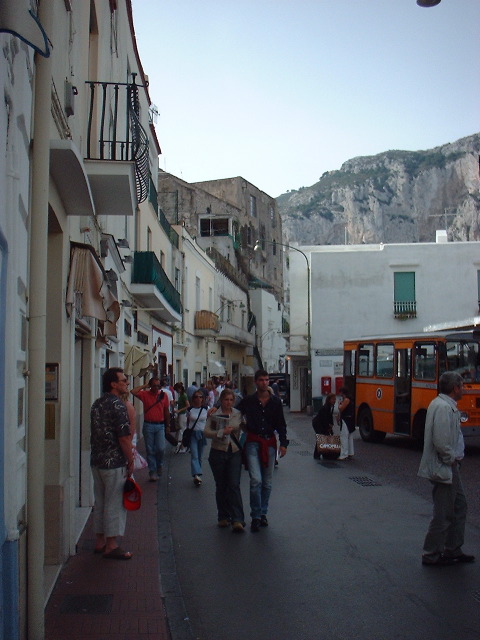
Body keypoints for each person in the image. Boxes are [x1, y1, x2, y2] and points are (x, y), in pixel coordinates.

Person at [418, 371, 475, 566]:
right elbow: (441, 440)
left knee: (459, 506)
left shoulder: (444, 405)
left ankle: (452, 549)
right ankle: (432, 553)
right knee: (444, 512)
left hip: (449, 465)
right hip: (445, 466)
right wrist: (451, 459)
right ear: (455, 388)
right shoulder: (443, 407)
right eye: (462, 386)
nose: (464, 390)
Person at [90, 367, 134, 559]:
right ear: (113, 384)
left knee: (100, 502)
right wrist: (130, 460)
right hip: (114, 461)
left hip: (97, 460)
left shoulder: (97, 404)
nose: (127, 383)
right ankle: (111, 544)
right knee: (114, 503)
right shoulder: (118, 405)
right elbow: (124, 437)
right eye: (123, 380)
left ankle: (99, 541)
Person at [238, 369, 288, 532]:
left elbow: (281, 423)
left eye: (267, 380)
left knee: (267, 482)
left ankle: (263, 513)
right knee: (256, 480)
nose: (264, 383)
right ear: (256, 382)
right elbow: (234, 412)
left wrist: (284, 443)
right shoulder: (249, 401)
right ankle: (255, 516)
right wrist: (216, 409)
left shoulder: (275, 402)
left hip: (270, 443)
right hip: (253, 441)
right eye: (261, 380)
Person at [204, 389, 245, 532]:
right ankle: (223, 516)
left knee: (234, 484)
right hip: (218, 452)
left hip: (234, 451)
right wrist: (221, 432)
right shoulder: (214, 414)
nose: (228, 402)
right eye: (226, 400)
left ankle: (238, 519)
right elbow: (206, 432)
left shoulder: (238, 414)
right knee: (221, 485)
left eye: (231, 400)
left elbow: (245, 427)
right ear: (221, 400)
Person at [131, 377, 170, 481]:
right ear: (150, 386)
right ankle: (152, 470)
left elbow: (166, 411)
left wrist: (168, 425)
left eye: (158, 386)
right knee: (150, 449)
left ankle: (159, 464)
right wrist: (144, 386)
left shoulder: (163, 396)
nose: (156, 388)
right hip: (148, 425)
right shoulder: (145, 394)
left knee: (161, 448)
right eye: (154, 385)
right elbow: (133, 391)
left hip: (160, 425)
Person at [186, 390, 208, 486]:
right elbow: (188, 421)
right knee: (194, 455)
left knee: (200, 456)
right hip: (193, 434)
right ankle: (196, 475)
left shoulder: (206, 409)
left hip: (202, 434)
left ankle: (198, 474)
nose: (198, 399)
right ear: (193, 399)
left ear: (203, 399)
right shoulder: (190, 410)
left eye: (200, 397)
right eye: (196, 397)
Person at [312, 392, 336, 459]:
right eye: (333, 399)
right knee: (321, 436)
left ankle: (321, 453)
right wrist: (328, 428)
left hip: (320, 423)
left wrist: (330, 426)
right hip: (318, 423)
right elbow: (324, 419)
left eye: (335, 399)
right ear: (329, 400)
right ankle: (318, 454)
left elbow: (330, 417)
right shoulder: (326, 408)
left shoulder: (330, 407)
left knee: (322, 437)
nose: (334, 401)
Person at [337, 387, 355, 460]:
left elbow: (341, 408)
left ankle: (344, 454)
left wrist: (339, 404)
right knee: (349, 436)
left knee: (344, 436)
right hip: (350, 419)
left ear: (342, 393)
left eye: (340, 392)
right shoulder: (349, 399)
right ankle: (350, 452)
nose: (339, 394)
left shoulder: (346, 400)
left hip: (346, 419)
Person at [173, 382, 189, 453]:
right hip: (181, 414)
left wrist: (179, 410)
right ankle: (181, 446)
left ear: (179, 389)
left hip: (182, 414)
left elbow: (187, 405)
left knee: (181, 430)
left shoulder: (184, 396)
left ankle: (182, 446)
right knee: (180, 429)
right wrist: (176, 402)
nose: (176, 391)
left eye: (177, 390)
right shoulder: (181, 395)